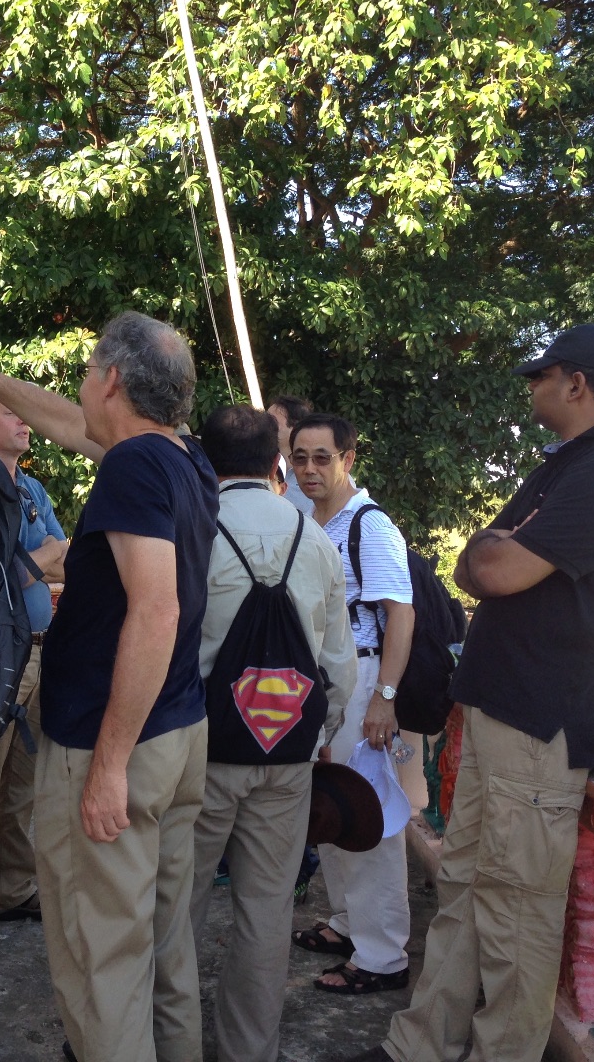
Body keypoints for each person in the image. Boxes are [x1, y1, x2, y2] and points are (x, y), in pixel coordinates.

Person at [347, 323, 594, 1062]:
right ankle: (422, 1046)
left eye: (541, 376)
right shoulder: (574, 464)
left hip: (544, 723)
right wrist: (498, 548)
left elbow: (491, 571)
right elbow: (480, 557)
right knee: (465, 890)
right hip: (507, 711)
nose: (532, 389)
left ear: (577, 383)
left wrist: (499, 549)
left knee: (516, 912)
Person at [0, 311, 218, 1062]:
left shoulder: (133, 468)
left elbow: (155, 609)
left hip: (114, 742)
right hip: (176, 733)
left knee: (99, 960)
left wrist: (107, 765)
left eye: (86, 372)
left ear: (111, 379)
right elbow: (63, 422)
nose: (77, 387)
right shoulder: (181, 458)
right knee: (162, 945)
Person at [188, 404, 359, 1062]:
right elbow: (338, 662)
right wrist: (319, 735)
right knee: (266, 911)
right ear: (275, 463)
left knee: (180, 904)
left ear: (205, 459)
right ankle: (247, 1050)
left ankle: (162, 1037)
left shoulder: (193, 527)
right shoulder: (313, 538)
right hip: (286, 753)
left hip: (202, 749)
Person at [287, 413, 416, 994]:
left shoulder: (371, 526)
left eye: (322, 457)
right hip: (322, 681)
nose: (310, 469)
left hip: (363, 675)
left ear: (348, 459)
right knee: (331, 806)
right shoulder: (311, 521)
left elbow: (401, 614)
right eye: (300, 458)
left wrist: (384, 697)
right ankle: (347, 922)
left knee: (369, 815)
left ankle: (383, 956)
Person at [0, 385, 68, 927]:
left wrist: (29, 560)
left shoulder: (30, 487)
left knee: (21, 785)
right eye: (13, 413)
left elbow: (64, 559)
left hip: (38, 650)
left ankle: (10, 889)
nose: (28, 422)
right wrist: (39, 557)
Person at [266, 395, 315, 514]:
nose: (265, 425)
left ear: (295, 427)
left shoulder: (317, 472)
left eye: (271, 421)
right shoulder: (264, 467)